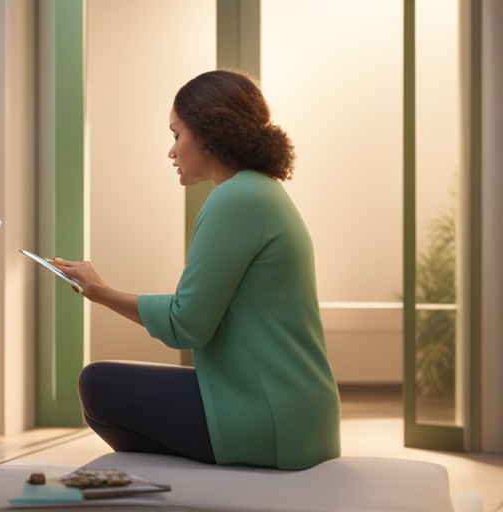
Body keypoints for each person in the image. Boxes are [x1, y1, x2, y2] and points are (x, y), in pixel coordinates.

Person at [52, 70, 340, 470]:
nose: (172, 151)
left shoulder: (234, 199)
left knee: (97, 384)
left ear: (208, 132)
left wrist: (99, 292)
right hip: (299, 415)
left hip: (270, 415)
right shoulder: (263, 191)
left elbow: (185, 325)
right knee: (117, 397)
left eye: (176, 134)